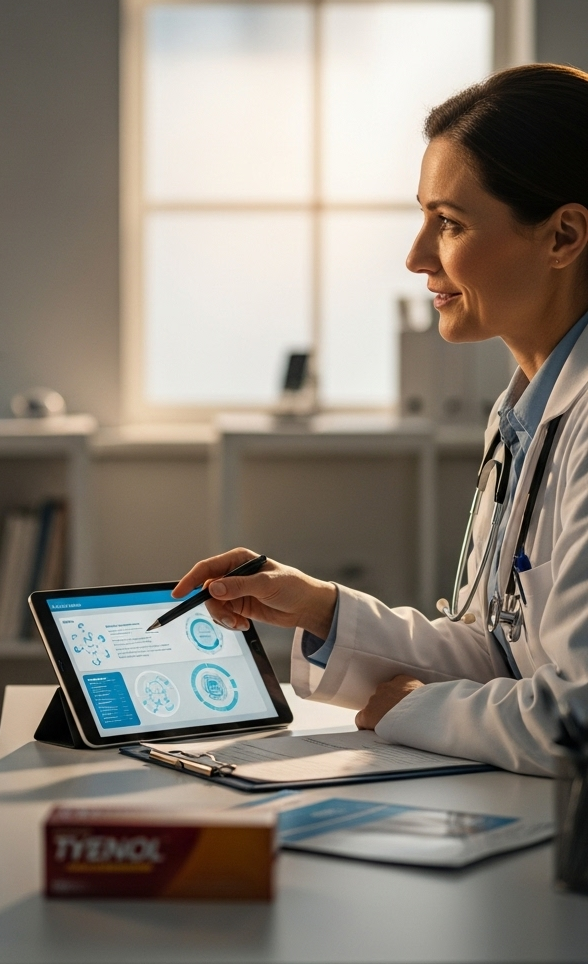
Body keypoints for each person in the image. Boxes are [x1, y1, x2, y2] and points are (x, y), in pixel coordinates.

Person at [173, 63, 588, 778]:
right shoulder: (524, 412)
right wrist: (319, 609)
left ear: (563, 236)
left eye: (449, 223)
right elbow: (501, 654)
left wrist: (413, 711)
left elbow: (577, 721)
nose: (417, 256)